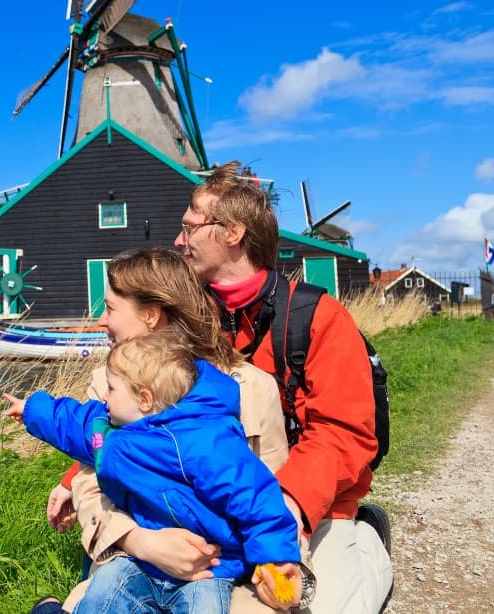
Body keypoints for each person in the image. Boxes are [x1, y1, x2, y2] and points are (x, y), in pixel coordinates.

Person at [165, 161, 393, 613]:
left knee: (323, 607)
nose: (178, 241)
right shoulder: (184, 322)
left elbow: (343, 432)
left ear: (232, 233)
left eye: (190, 227)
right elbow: (138, 406)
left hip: (311, 503)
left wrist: (286, 508)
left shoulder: (320, 319)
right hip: (219, 503)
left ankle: (369, 540)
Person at [40, 248, 300, 612]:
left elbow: (275, 495)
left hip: (224, 573)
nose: (101, 320)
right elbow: (91, 485)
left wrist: (283, 574)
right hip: (128, 562)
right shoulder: (108, 388)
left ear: (151, 315)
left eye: (111, 308)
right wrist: (140, 542)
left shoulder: (253, 388)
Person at [5, 330, 303, 614]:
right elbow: (72, 422)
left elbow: (256, 499)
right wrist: (32, 408)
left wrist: (275, 559)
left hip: (209, 566)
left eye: (111, 388)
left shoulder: (205, 443)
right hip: (141, 560)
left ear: (145, 399)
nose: (104, 398)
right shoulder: (111, 430)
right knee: (103, 594)